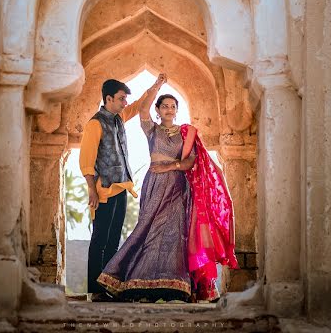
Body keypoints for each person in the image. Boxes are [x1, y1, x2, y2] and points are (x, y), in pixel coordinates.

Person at [97, 80, 239, 303]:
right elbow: (143, 109)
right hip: (154, 184)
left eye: (173, 106)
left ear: (177, 110)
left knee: (175, 233)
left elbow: (191, 160)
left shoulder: (186, 133)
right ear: (158, 110)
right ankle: (137, 283)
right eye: (165, 106)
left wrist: (169, 166)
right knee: (148, 228)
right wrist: (156, 85)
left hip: (177, 186)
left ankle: (175, 286)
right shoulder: (151, 129)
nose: (169, 110)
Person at [79, 75, 166, 301]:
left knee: (113, 240)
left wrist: (156, 86)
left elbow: (138, 105)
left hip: (121, 188)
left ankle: (109, 286)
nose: (125, 103)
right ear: (108, 99)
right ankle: (95, 290)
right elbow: (87, 160)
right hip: (103, 191)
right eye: (121, 99)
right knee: (99, 239)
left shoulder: (119, 118)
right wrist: (91, 190)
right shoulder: (95, 124)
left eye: (125, 99)